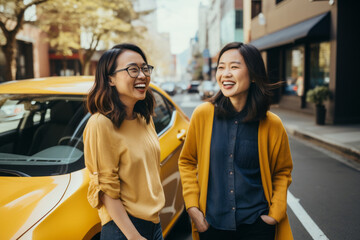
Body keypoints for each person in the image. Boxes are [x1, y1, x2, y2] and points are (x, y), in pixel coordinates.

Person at [178, 42, 293, 240]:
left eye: (234, 66)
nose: (225, 73)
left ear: (254, 74)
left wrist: (274, 215)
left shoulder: (272, 124)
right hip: (212, 226)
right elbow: (187, 161)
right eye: (221, 67)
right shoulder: (203, 114)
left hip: (257, 225)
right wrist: (193, 208)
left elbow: (282, 172)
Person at [84, 43, 165, 240]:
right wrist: (134, 236)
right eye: (133, 69)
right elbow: (106, 190)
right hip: (124, 229)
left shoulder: (143, 119)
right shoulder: (100, 124)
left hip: (154, 224)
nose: (142, 75)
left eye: (145, 68)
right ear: (110, 79)